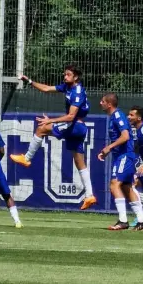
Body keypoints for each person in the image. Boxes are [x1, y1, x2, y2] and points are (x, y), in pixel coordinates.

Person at [11, 64, 96, 210]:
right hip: (78, 127)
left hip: (75, 126)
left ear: (75, 77)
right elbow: (46, 89)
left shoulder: (77, 91)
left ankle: (27, 158)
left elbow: (70, 116)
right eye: (65, 74)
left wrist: (51, 120)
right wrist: (30, 81)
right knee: (79, 162)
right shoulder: (67, 87)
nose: (65, 76)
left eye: (68, 74)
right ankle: (89, 195)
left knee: (41, 128)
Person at [98, 93, 143, 231]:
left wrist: (109, 147)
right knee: (126, 188)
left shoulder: (118, 115)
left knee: (114, 184)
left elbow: (125, 136)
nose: (100, 103)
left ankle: (122, 221)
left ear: (109, 104)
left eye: (102, 101)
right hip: (122, 156)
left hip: (125, 156)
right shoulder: (113, 117)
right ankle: (142, 220)